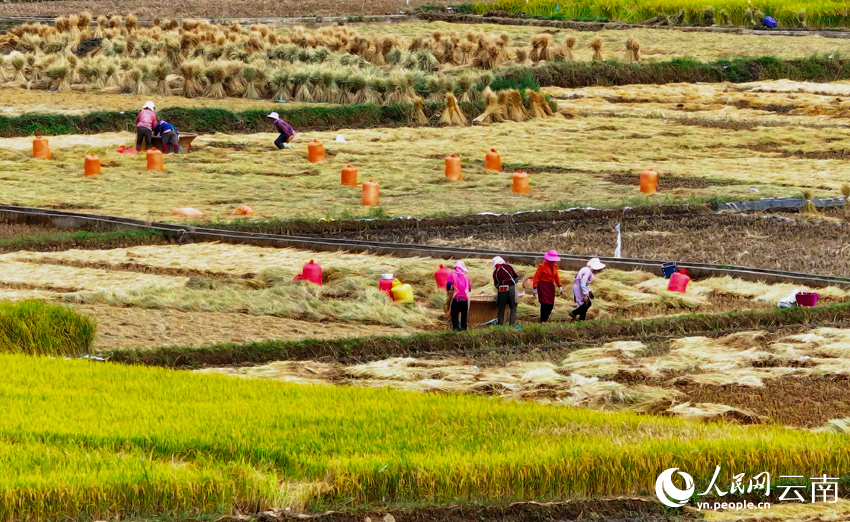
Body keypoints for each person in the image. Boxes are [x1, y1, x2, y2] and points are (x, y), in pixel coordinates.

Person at [532, 250, 563, 323]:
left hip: (550, 286)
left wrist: (560, 286)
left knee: (551, 304)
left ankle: (546, 317)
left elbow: (556, 277)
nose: (553, 262)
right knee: (544, 303)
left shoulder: (555, 266)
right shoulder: (542, 266)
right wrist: (534, 287)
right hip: (543, 285)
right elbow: (536, 277)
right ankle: (543, 320)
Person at [492, 256, 519, 327]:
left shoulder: (495, 272)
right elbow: (516, 277)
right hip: (512, 289)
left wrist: (501, 287)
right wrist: (512, 285)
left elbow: (496, 284)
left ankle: (500, 324)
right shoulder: (509, 267)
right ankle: (512, 325)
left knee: (501, 308)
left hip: (502, 290)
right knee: (513, 308)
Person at [445, 260, 471, 331]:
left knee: (454, 314)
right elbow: (469, 288)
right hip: (465, 298)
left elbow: (448, 285)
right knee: (464, 315)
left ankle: (456, 328)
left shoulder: (452, 275)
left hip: (456, 297)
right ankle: (464, 329)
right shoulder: (467, 277)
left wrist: (449, 290)